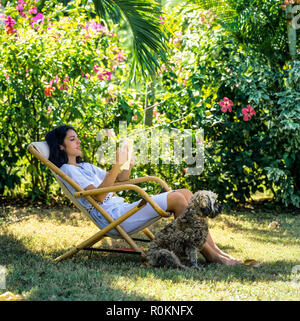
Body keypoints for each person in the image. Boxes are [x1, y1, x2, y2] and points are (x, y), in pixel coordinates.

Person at [46, 125, 242, 265]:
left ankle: (215, 251)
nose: (78, 141)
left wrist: (126, 165)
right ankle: (211, 256)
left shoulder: (84, 166)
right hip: (115, 218)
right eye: (72, 139)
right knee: (177, 199)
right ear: (61, 146)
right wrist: (116, 164)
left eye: (77, 137)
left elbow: (117, 181)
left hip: (122, 210)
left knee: (186, 193)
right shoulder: (68, 170)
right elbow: (97, 197)